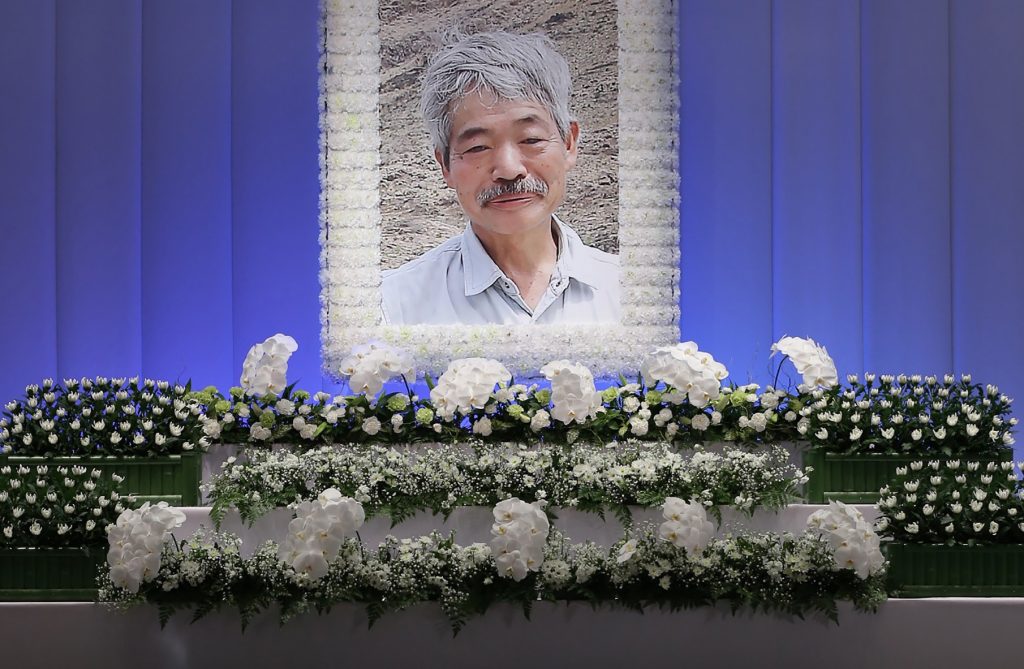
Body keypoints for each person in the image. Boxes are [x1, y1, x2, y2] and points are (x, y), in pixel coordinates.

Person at [380, 30, 620, 326]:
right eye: (478, 147)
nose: (508, 169)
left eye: (530, 140)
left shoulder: (634, 296)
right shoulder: (392, 309)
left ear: (569, 144)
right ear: (445, 165)